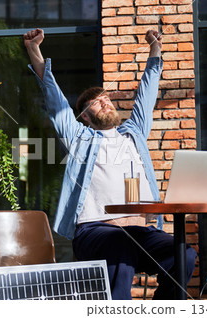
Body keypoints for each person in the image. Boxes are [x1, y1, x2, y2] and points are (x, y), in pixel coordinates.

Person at [24, 28, 197, 300]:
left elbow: (147, 94)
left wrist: (155, 49)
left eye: (105, 98)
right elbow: (54, 98)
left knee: (184, 252)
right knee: (120, 244)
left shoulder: (135, 134)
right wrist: (34, 49)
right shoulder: (79, 137)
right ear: (84, 117)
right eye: (95, 103)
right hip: (95, 232)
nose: (103, 102)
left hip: (141, 232)